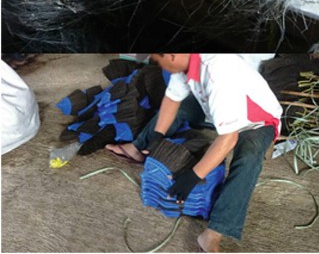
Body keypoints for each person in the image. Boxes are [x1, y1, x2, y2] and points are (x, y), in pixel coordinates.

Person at [105, 54, 282, 252]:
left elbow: (228, 139)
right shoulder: (185, 64)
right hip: (219, 106)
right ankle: (137, 148)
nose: (158, 65)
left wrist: (193, 176)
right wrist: (157, 136)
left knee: (249, 157)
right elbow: (172, 99)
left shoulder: (218, 73)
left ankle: (214, 232)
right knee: (181, 109)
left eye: (157, 60)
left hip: (257, 119)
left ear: (171, 56)